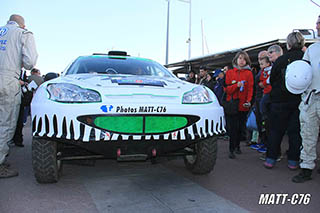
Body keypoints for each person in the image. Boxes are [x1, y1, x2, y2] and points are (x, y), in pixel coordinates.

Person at [0, 14, 38, 178]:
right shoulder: (23, 33)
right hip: (7, 80)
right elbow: (30, 62)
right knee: (5, 124)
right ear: (22, 25)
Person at [264, 32, 305, 169]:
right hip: (299, 101)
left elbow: (272, 80)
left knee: (275, 131)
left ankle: (271, 159)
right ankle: (293, 161)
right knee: (295, 132)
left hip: (279, 101)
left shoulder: (281, 60)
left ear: (288, 44)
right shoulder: (305, 58)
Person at [292, 15, 320, 183]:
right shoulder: (312, 49)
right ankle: (307, 168)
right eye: (317, 22)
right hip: (312, 98)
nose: (317, 25)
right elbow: (303, 71)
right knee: (308, 135)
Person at [224, 51, 254, 159]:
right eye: (240, 58)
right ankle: (231, 149)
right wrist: (236, 85)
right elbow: (227, 89)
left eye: (244, 59)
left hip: (243, 105)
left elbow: (251, 88)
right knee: (233, 128)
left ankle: (237, 146)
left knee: (240, 128)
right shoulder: (230, 73)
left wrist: (249, 101)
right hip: (232, 105)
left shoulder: (249, 73)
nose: (242, 61)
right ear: (236, 59)